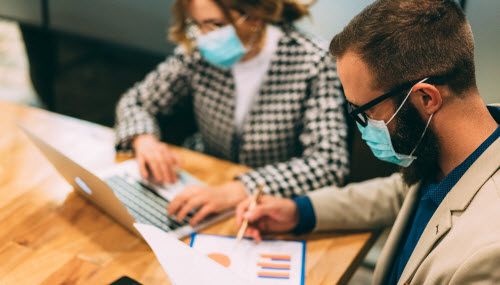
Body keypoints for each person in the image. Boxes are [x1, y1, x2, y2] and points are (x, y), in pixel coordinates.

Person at [236, 0, 500, 284]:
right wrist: (297, 211)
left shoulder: (487, 252)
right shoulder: (457, 153)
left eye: (365, 112)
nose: (363, 126)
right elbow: (397, 194)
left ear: (426, 98)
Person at [114, 0, 349, 225]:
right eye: (196, 23)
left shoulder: (313, 61)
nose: (204, 35)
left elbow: (329, 163)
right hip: (200, 182)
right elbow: (135, 101)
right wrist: (144, 140)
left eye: (215, 24)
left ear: (255, 16)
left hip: (270, 203)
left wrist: (241, 189)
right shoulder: (198, 51)